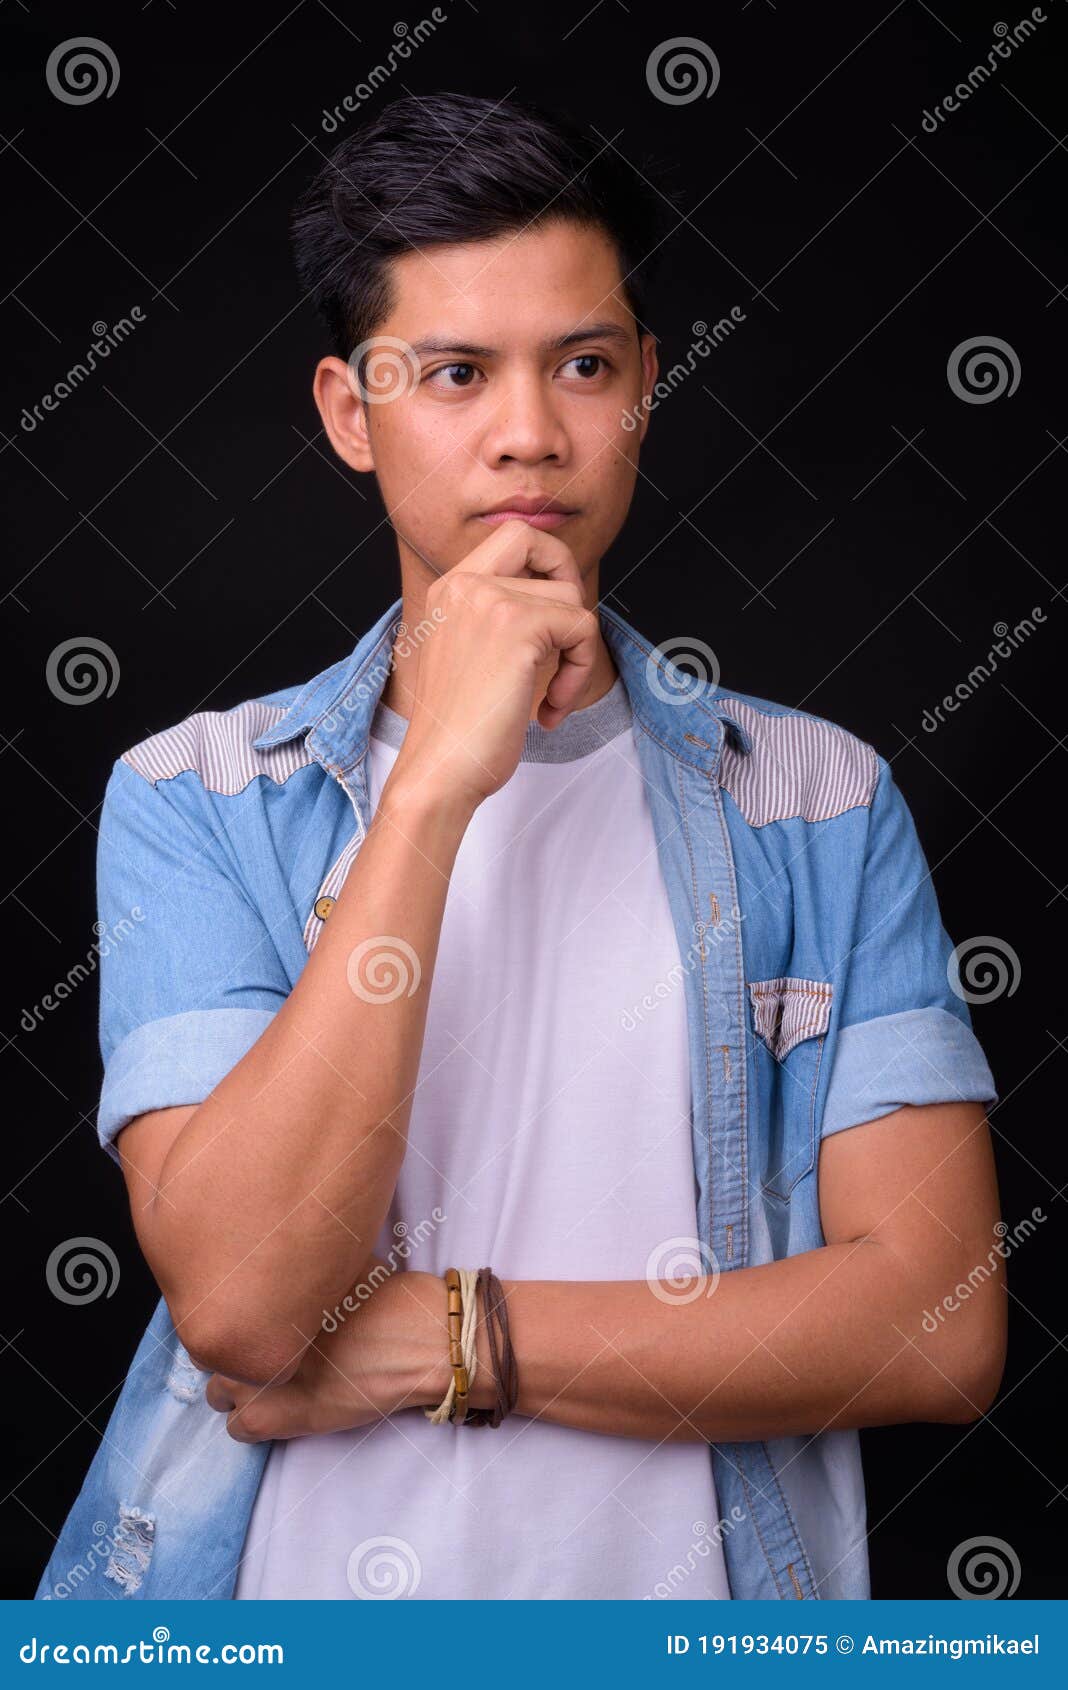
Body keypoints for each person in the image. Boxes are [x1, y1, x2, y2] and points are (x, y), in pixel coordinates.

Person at [36, 92, 1003, 1604]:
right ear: (353, 414)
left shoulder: (816, 797)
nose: (530, 433)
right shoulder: (198, 792)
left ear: (643, 391)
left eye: (584, 366)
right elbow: (240, 1296)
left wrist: (456, 1337)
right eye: (456, 374)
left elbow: (935, 1326)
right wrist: (432, 790)